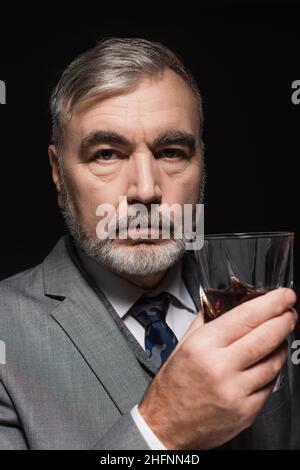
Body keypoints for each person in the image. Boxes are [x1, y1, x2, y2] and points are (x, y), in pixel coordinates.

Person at [0, 37, 299, 450]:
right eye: (107, 154)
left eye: (171, 152)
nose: (144, 190)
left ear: (201, 164)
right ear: (57, 171)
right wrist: (159, 430)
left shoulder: (264, 301)